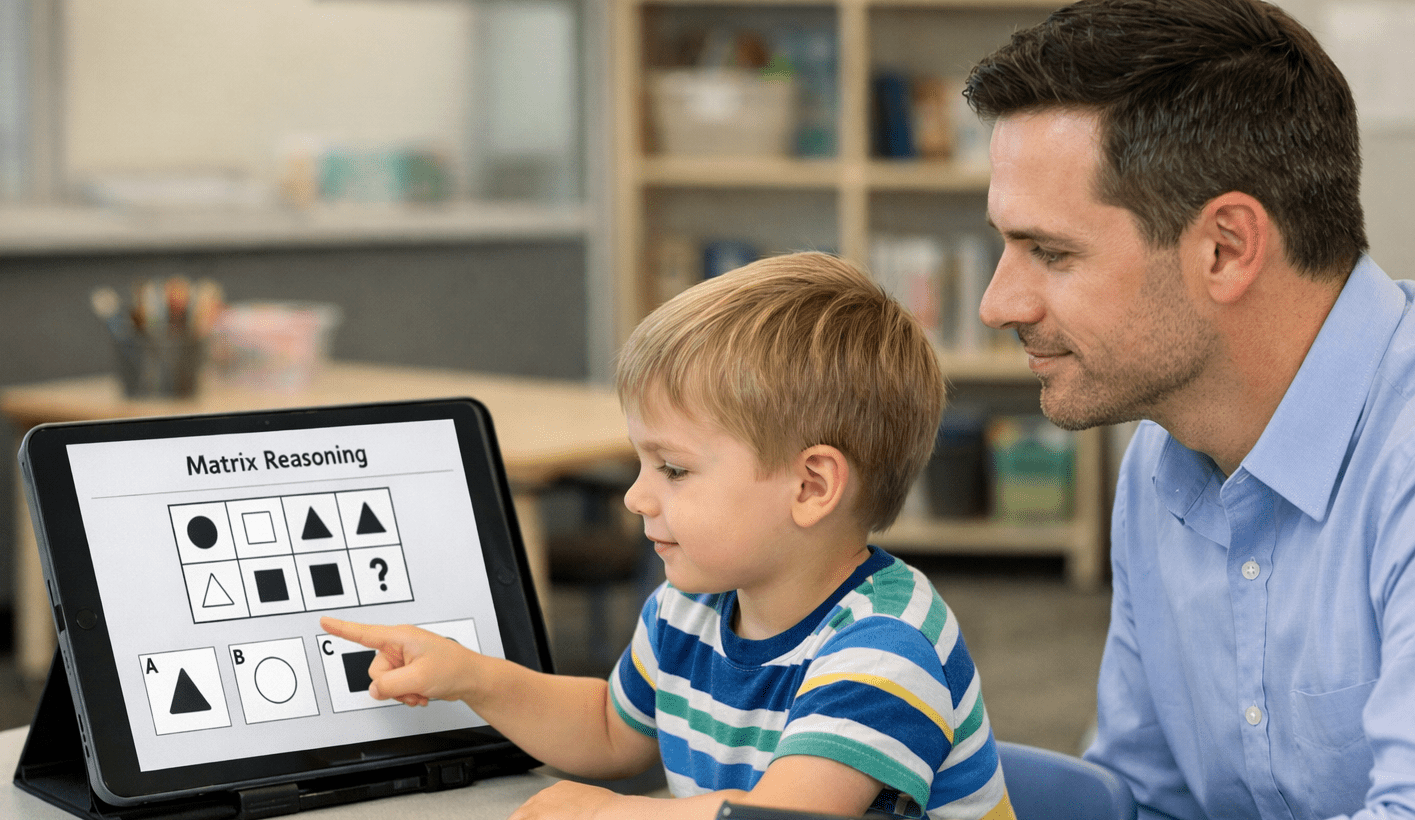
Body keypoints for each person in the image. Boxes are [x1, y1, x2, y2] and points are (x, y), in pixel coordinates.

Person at [322, 252, 1016, 820]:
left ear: (810, 487)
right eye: (642, 463)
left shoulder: (887, 647)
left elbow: (784, 818)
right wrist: (473, 677)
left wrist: (607, 815)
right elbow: (607, 729)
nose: (635, 495)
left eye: (674, 469)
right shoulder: (689, 605)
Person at [964, 0, 1415, 817]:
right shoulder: (1162, 461)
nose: (997, 304)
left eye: (1051, 252)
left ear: (1225, 248)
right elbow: (1143, 803)